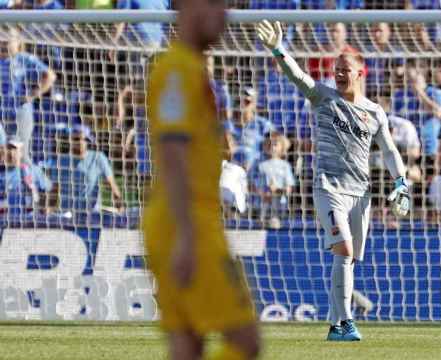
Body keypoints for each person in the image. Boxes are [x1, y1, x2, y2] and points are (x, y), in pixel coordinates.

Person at [257, 19, 409, 341]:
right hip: (329, 189)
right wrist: (277, 49)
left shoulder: (375, 112)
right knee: (343, 249)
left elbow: (391, 151)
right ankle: (347, 322)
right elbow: (296, 75)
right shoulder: (323, 97)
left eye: (344, 69)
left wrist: (401, 182)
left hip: (361, 194)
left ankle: (336, 325)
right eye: (336, 68)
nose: (338, 73)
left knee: (349, 260)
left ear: (360, 73)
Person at [145, 0, 260, 359]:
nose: (223, 14)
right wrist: (187, 233)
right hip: (189, 221)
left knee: (187, 344)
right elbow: (172, 151)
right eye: (215, 3)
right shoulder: (178, 70)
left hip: (176, 219)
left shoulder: (190, 68)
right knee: (245, 340)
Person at [0, 28, 56, 162]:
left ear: (18, 42)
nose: (3, 43)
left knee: (21, 155)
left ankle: (28, 181)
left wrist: (33, 94)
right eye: (1, 40)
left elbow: (50, 76)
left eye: (8, 40)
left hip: (20, 113)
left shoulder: (24, 59)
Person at [45, 125, 123, 215]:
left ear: (88, 141)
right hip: (67, 214)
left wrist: (121, 208)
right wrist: (47, 211)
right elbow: (54, 191)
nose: (80, 142)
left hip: (91, 214)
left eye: (84, 139)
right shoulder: (60, 161)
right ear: (70, 141)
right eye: (76, 139)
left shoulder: (98, 158)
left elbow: (112, 186)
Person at [224, 87, 273, 169]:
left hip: (255, 171)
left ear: (254, 105)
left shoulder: (263, 124)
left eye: (247, 102)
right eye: (238, 101)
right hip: (231, 170)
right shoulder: (227, 124)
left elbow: (282, 143)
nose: (241, 105)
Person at [0, 137, 52, 215]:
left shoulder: (32, 170)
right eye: (10, 150)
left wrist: (46, 206)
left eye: (17, 150)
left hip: (30, 221)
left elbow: (49, 189)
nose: (13, 153)